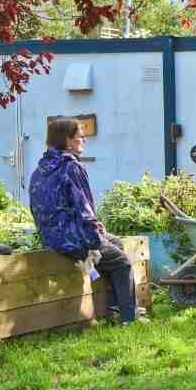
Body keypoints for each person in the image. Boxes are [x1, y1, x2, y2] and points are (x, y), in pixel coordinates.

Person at [29, 118, 145, 324]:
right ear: (67, 140)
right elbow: (84, 209)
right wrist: (94, 240)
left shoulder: (39, 170)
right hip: (75, 238)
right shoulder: (71, 167)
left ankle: (115, 308)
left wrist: (98, 230)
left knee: (116, 244)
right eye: (80, 137)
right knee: (122, 263)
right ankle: (129, 318)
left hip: (52, 237)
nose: (84, 141)